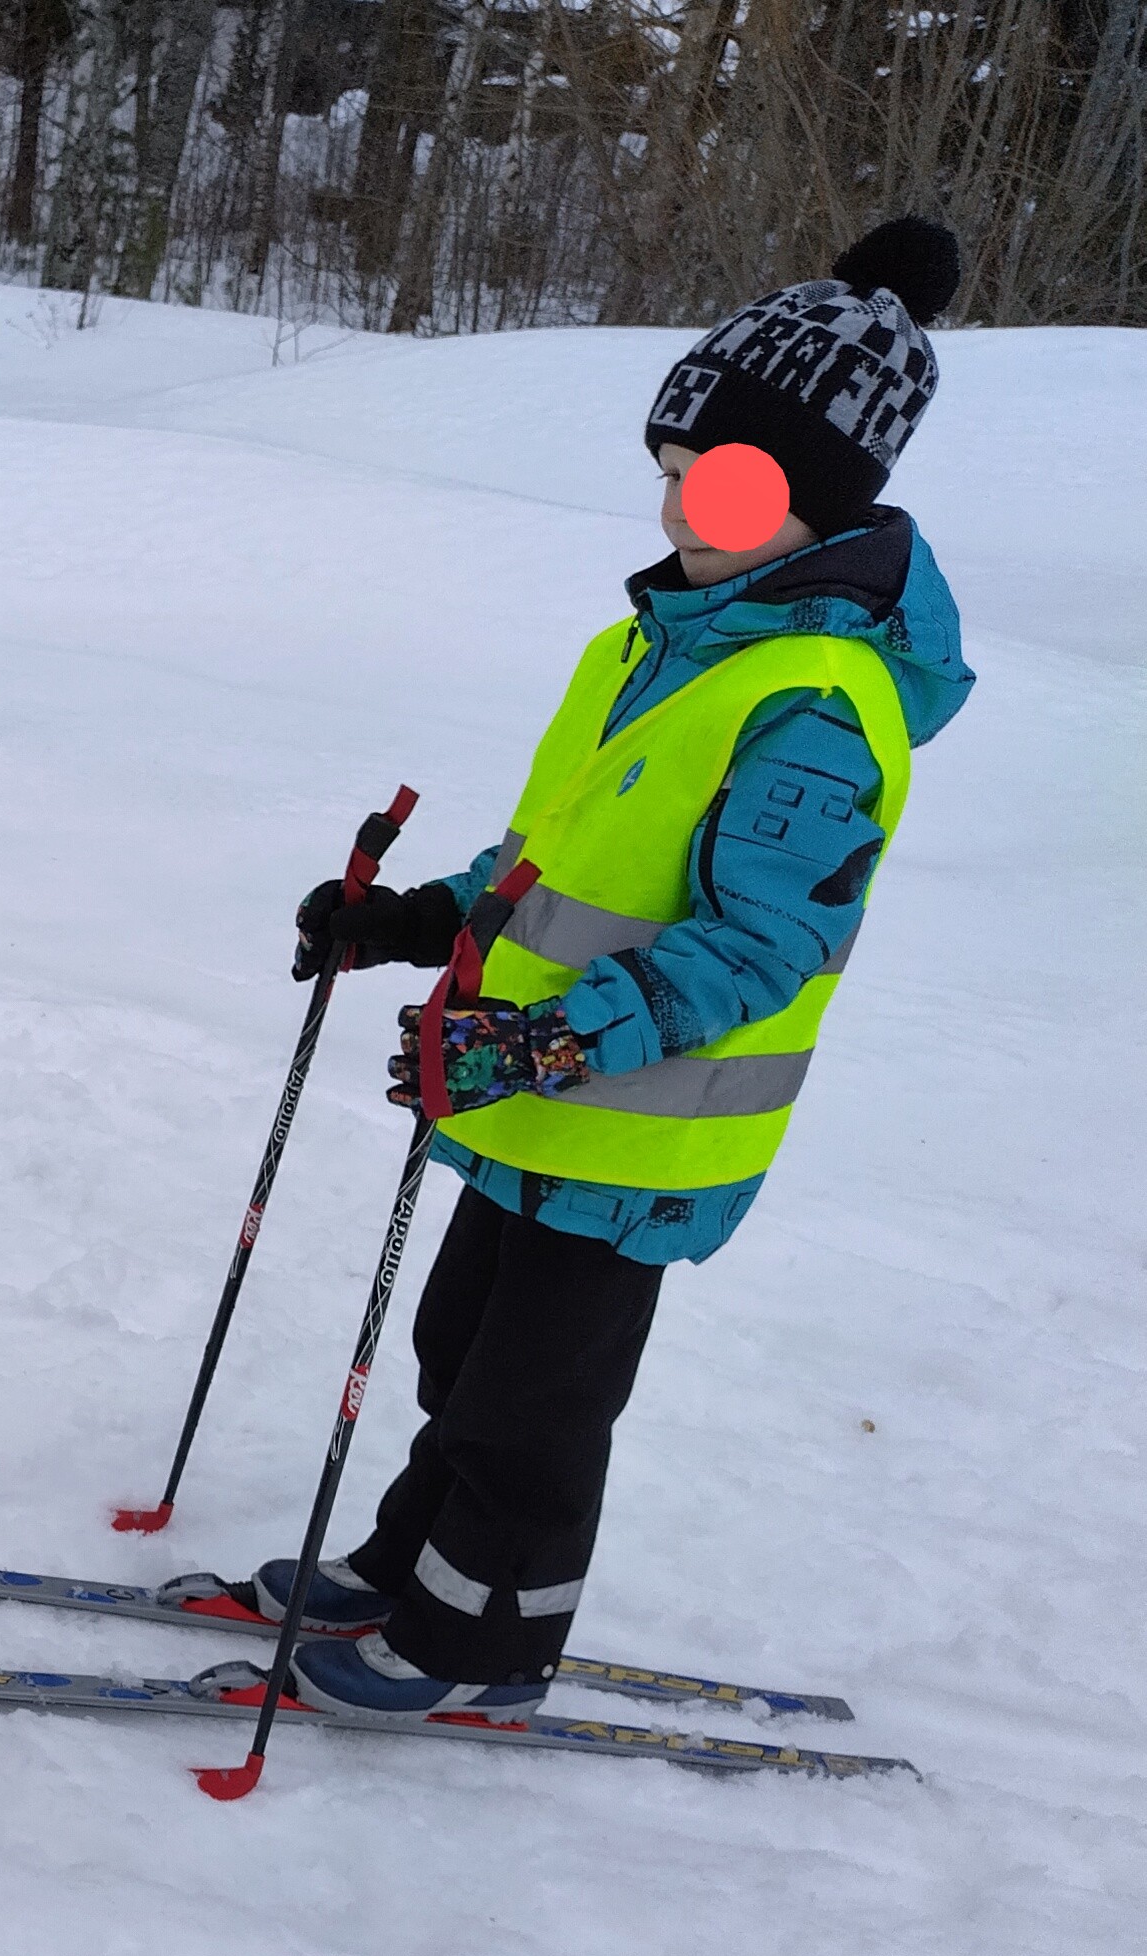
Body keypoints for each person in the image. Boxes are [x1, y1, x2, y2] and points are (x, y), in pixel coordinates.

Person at [261, 218, 974, 1720]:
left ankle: (483, 1648)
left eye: (725, 482)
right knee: (461, 1356)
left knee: (535, 1405)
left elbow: (765, 945)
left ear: (819, 497)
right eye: (673, 468)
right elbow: (554, 865)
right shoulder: (656, 645)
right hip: (532, 1095)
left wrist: (547, 1045)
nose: (680, 505)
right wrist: (412, 922)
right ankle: (408, 1569)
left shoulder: (816, 700)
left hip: (638, 1127)